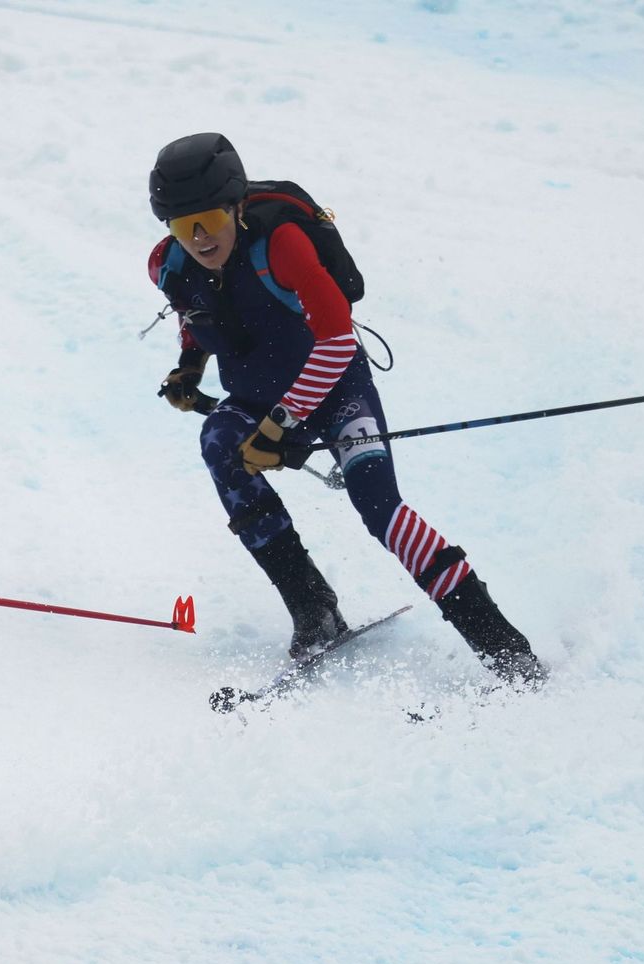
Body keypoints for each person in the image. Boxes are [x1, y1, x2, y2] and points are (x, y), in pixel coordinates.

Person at [146, 134, 546, 685]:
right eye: (179, 224)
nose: (197, 237)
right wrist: (188, 370)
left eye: (209, 218)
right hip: (258, 401)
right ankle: (313, 607)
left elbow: (335, 343)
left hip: (337, 393)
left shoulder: (283, 245)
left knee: (379, 507)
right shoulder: (168, 266)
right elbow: (197, 317)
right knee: (219, 443)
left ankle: (504, 648)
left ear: (236, 207)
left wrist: (280, 424)